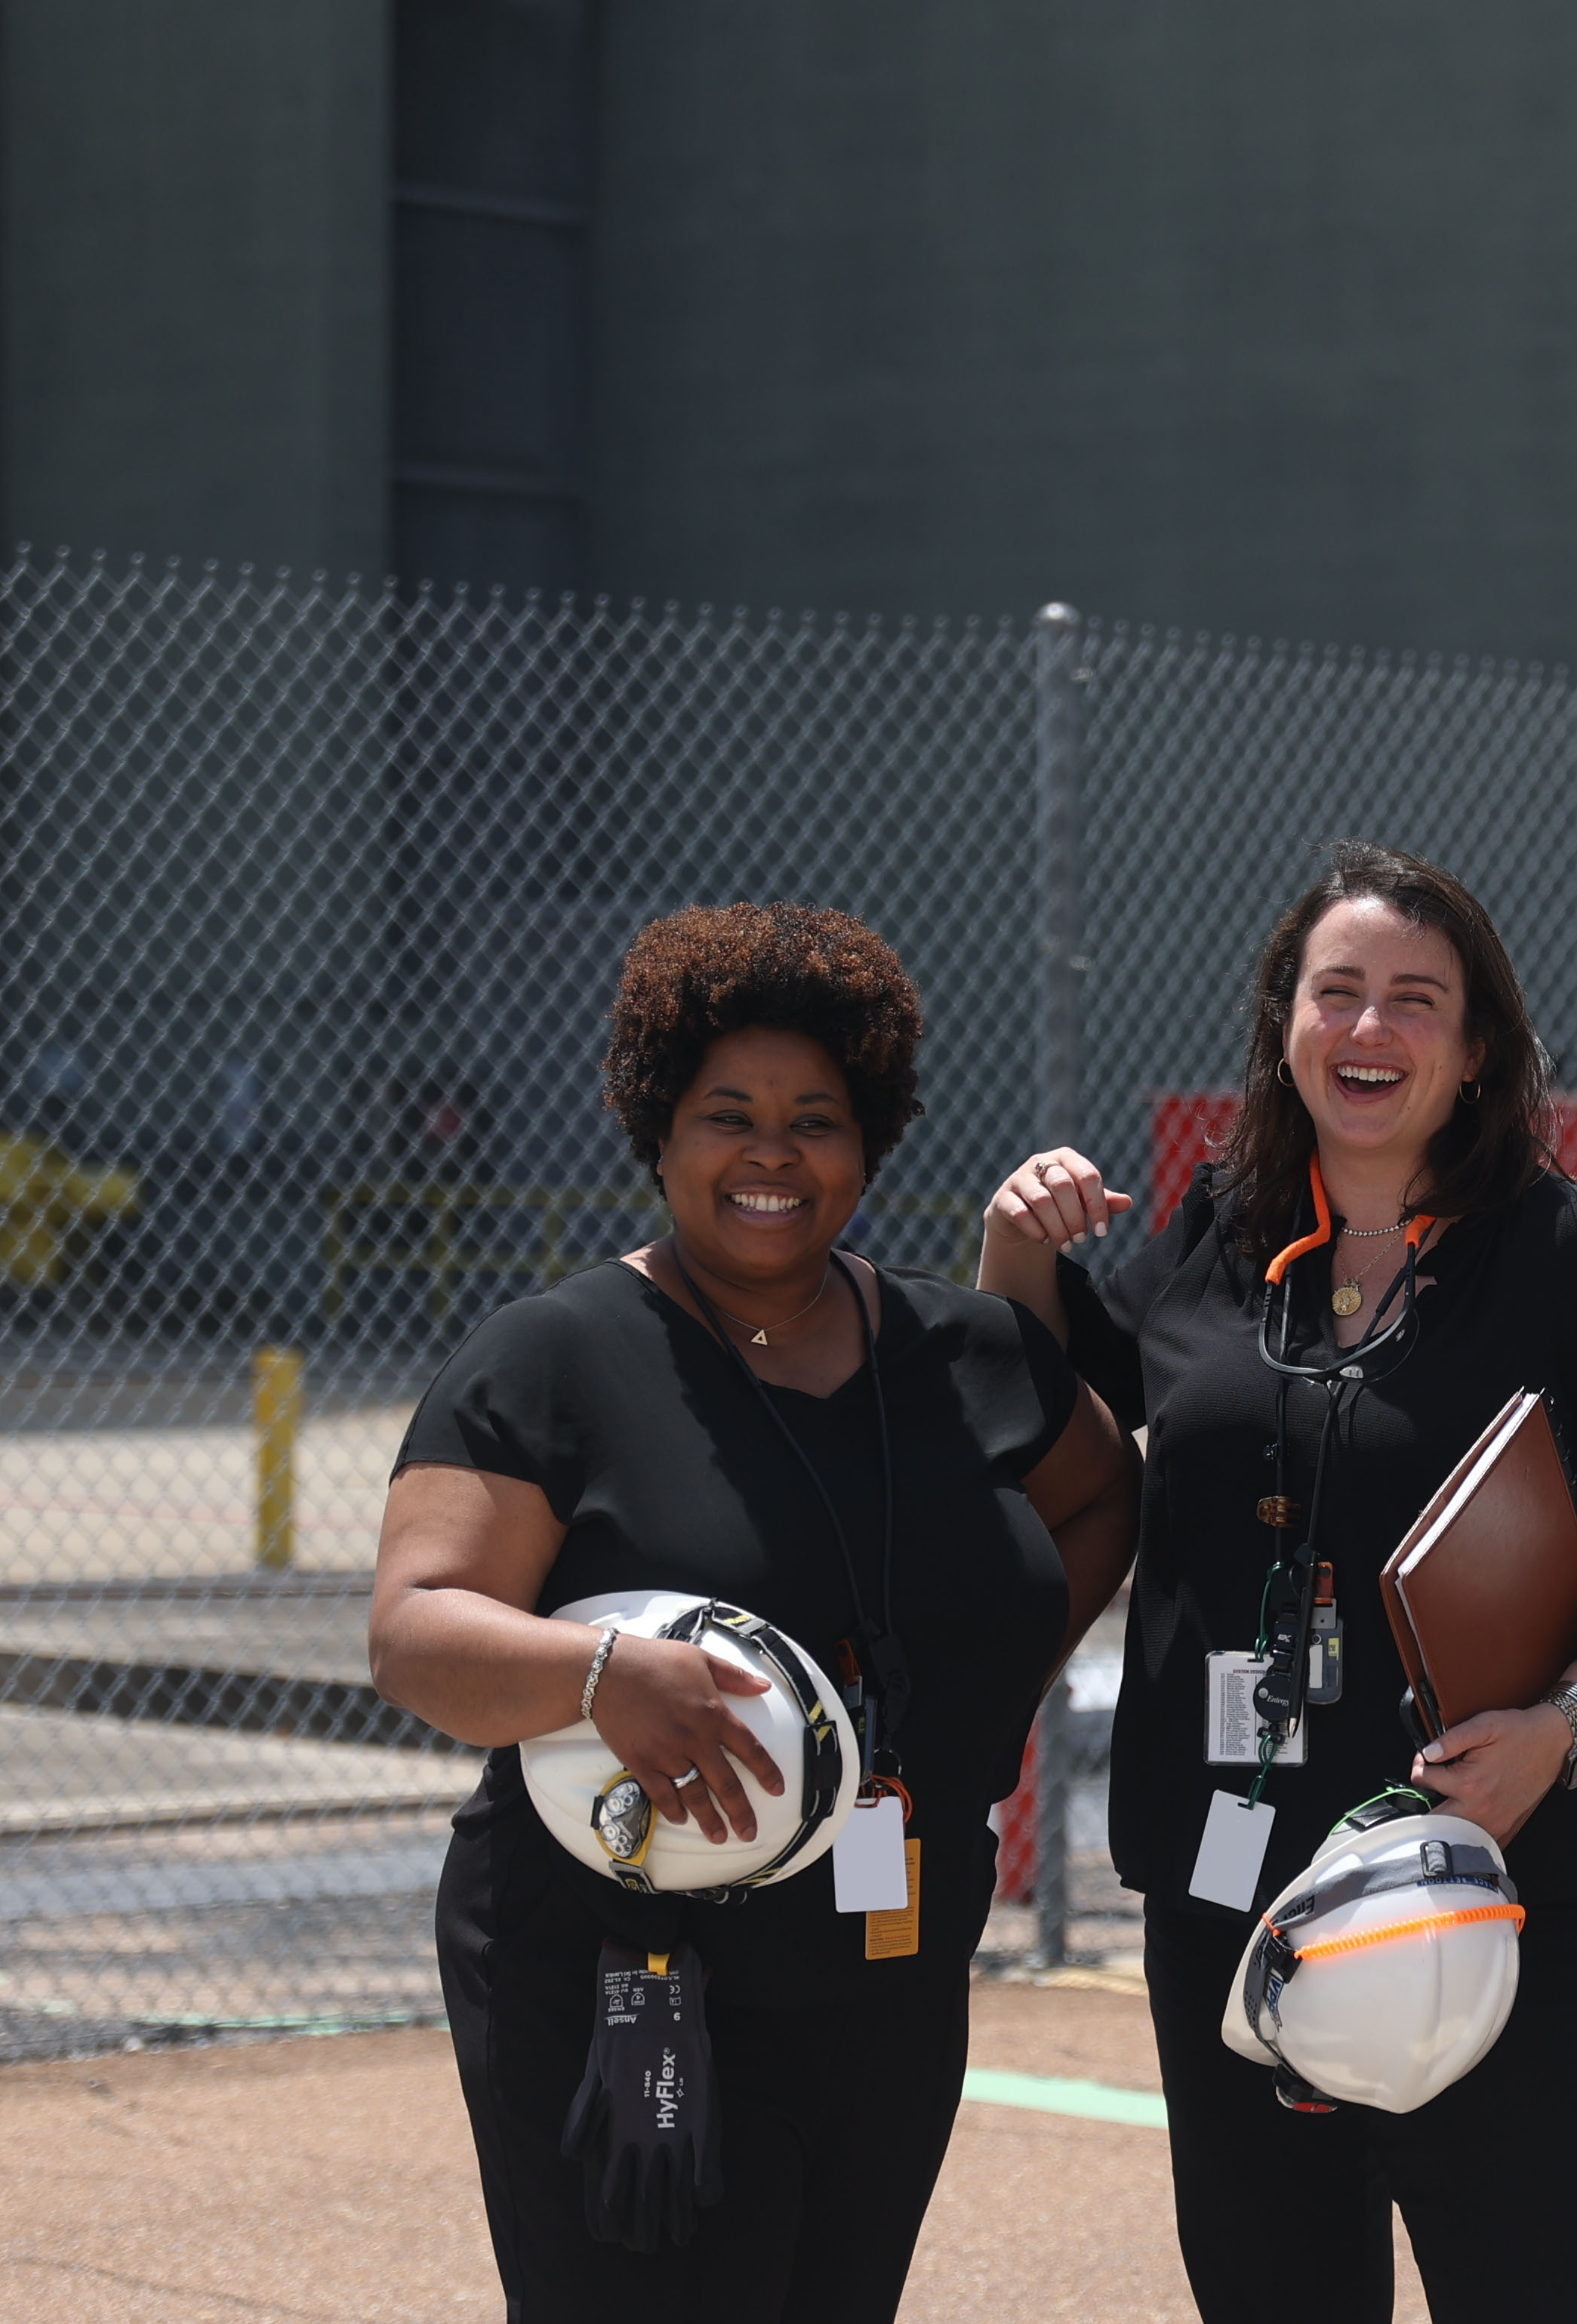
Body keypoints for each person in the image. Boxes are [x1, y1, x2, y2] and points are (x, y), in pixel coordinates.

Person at [978, 840, 1577, 2324]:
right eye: (1337, 993)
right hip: (1235, 1882)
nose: (1369, 1030)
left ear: (1477, 1050)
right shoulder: (1222, 1231)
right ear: (1287, 1025)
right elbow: (1067, 1396)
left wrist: (1565, 1732)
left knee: (1532, 2289)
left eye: (1414, 1000)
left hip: (1489, 1876)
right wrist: (1015, 1248)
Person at [370, 901, 1138, 2320]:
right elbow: (415, 1628)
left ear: (871, 1139)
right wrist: (602, 1671)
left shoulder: (965, 1351)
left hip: (889, 1964)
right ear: (658, 1130)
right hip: (631, 1975)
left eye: (817, 1118)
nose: (772, 1153)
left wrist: (995, 1682)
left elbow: (1103, 1497)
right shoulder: (557, 1360)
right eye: (727, 1114)